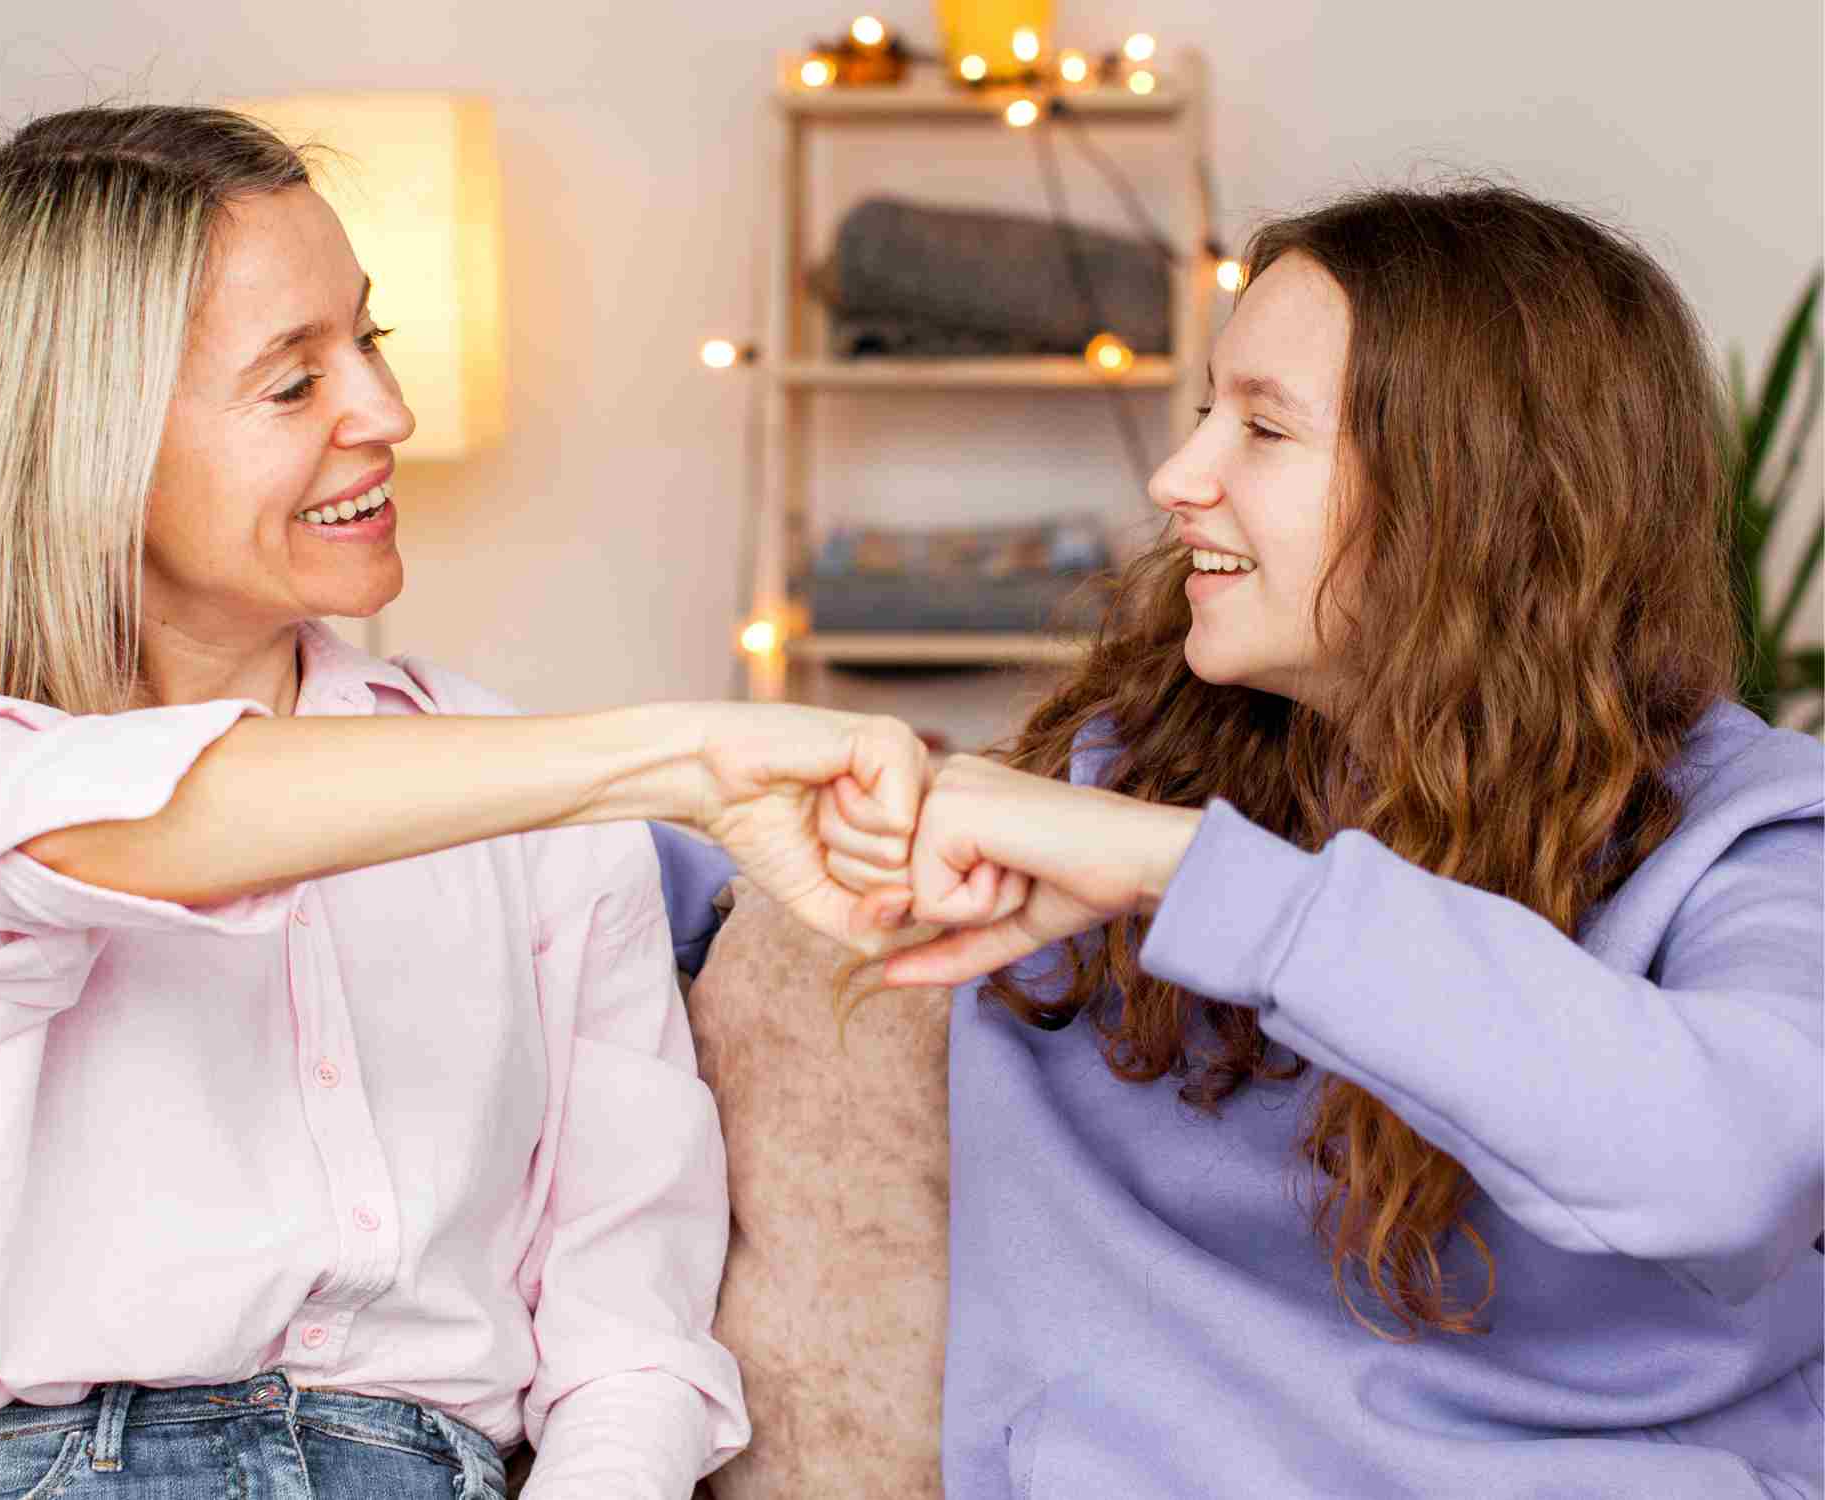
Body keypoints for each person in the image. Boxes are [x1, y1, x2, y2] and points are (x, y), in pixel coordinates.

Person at [0, 104, 931, 1500]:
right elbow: (135, 825)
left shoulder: (538, 789)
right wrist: (671, 760)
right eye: (293, 386)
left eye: (371, 343)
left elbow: (630, 1323)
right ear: (79, 447)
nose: (386, 415)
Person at [689, 184, 1824, 1497]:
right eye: (1200, 416)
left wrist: (1191, 875)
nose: (1177, 481)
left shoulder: (1756, 839)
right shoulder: (1112, 779)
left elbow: (1738, 1165)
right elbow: (658, 897)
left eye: (1265, 428)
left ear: (1478, 494)